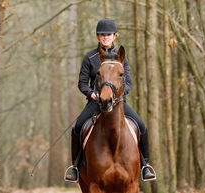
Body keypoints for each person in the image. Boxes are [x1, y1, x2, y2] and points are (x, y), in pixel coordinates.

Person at [65, 18, 156, 182]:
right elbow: (82, 83)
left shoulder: (121, 57)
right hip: (96, 102)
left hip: (119, 103)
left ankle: (145, 166)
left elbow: (128, 83)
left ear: (115, 35)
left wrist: (119, 96)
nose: (105, 37)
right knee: (77, 128)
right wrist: (92, 94)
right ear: (97, 36)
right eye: (101, 35)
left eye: (108, 34)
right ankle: (75, 168)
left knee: (142, 127)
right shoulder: (90, 57)